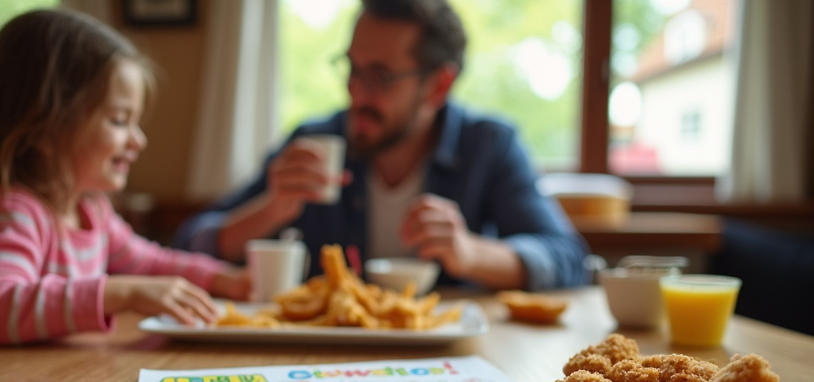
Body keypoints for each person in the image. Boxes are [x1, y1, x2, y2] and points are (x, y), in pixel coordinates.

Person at [0, 9, 249, 376]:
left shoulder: (92, 210)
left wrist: (222, 278)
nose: (138, 140)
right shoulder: (9, 208)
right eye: (119, 121)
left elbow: (151, 263)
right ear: (46, 127)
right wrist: (122, 293)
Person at [174, 0, 589, 291]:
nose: (356, 92)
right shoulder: (315, 141)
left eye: (379, 77)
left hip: (447, 357)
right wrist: (270, 210)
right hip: (326, 354)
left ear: (438, 85)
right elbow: (188, 243)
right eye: (352, 69)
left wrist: (470, 252)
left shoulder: (488, 145)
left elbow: (569, 257)